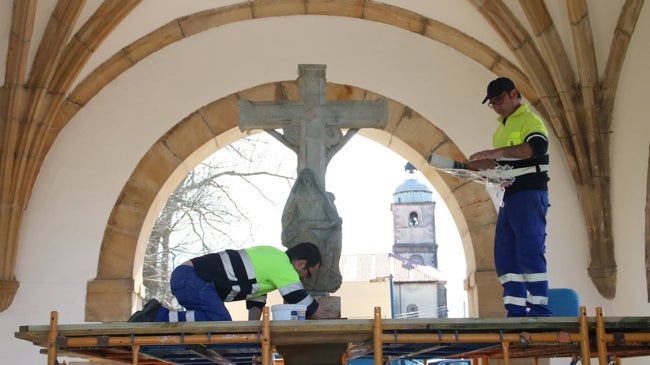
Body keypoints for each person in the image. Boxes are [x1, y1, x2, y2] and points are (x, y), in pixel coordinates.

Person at [468, 77, 552, 317]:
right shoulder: (500, 129)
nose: (496, 105)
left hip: (529, 193)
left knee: (529, 249)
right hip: (509, 194)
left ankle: (538, 310)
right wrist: (481, 170)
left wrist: (496, 153)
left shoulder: (529, 120)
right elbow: (505, 165)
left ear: (514, 94)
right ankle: (515, 310)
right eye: (492, 102)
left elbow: (536, 148)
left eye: (499, 99)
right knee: (505, 255)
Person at [128, 242, 339, 322]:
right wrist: (326, 315)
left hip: (188, 279)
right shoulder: (283, 266)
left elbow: (256, 303)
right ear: (302, 263)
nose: (305, 280)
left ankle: (162, 316)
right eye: (308, 274)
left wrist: (254, 333)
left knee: (210, 322)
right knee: (219, 322)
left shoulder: (271, 265)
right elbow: (298, 299)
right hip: (192, 278)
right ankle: (158, 315)